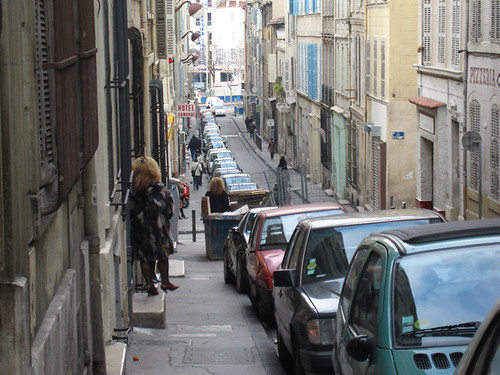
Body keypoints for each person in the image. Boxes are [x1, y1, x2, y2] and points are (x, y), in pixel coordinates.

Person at [130, 156, 179, 296]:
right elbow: (169, 210)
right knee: (162, 255)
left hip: (140, 230)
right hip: (158, 229)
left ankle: (150, 284)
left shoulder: (135, 191)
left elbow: (133, 211)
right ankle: (165, 281)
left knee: (145, 257)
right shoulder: (159, 190)